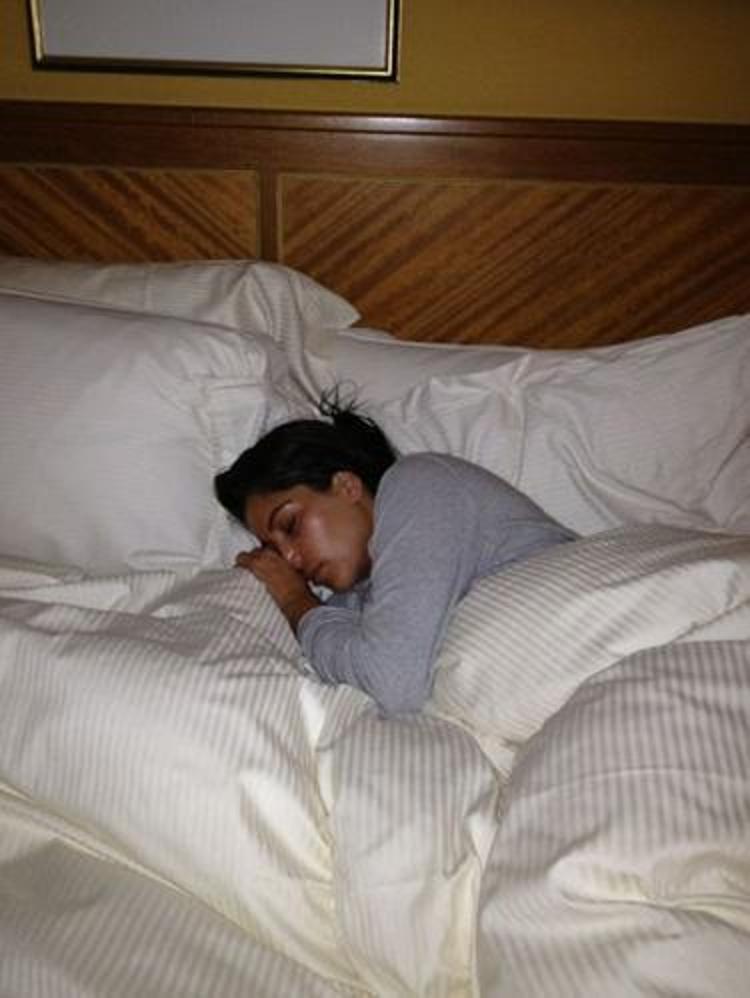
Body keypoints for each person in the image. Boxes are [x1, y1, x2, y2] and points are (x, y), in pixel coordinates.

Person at [214, 396, 576, 716]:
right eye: (276, 550)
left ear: (347, 486)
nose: (291, 559)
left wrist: (297, 603)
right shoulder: (350, 607)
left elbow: (392, 683)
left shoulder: (419, 483)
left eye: (291, 525)